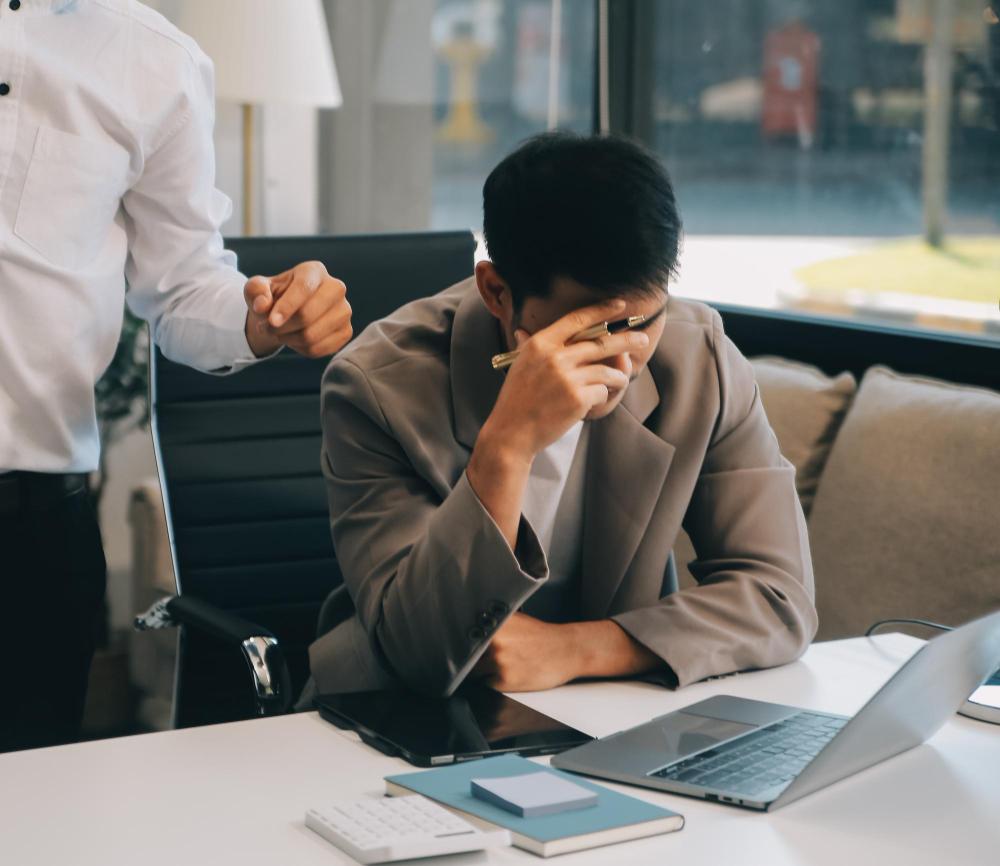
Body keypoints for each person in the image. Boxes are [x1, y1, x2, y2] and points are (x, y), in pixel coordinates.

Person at [303, 132, 816, 700]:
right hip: (399, 714)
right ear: (497, 292)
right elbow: (414, 651)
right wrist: (509, 445)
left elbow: (780, 596)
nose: (622, 360)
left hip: (608, 701)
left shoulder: (701, 361)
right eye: (590, 331)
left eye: (643, 323)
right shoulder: (376, 386)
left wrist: (574, 650)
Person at [0, 0, 352, 752]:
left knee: (25, 821)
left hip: (25, 537)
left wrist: (261, 321)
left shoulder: (149, 57)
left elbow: (185, 287)